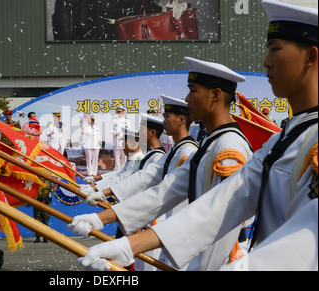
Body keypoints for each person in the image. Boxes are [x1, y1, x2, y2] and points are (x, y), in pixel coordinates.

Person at [76, 0, 318, 271]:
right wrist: (128, 244)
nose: (266, 62)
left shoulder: (232, 144)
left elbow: (309, 236)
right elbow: (222, 203)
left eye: (275, 50)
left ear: (311, 56)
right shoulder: (283, 138)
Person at [71, 57, 254, 271]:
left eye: (193, 91)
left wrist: (128, 245)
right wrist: (100, 218)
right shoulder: (209, 144)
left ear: (215, 95)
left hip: (219, 260)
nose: (187, 99)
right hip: (191, 249)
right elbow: (163, 190)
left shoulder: (228, 146)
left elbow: (221, 220)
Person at [111, 106, 131, 170]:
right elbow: (110, 130)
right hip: (116, 141)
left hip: (124, 141)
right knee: (116, 157)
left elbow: (129, 130)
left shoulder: (127, 121)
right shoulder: (113, 121)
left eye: (120, 111)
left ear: (123, 112)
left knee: (124, 157)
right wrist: (114, 133)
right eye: (118, 111)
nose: (119, 113)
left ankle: (123, 169)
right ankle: (117, 169)